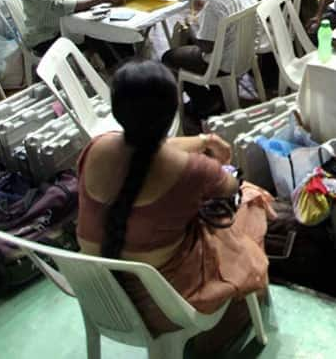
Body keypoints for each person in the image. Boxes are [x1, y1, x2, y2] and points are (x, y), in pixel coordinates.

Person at [76, 61, 272, 353]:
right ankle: (248, 301)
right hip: (165, 305)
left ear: (117, 109)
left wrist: (203, 140)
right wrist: (209, 147)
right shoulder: (194, 171)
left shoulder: (96, 148)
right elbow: (231, 188)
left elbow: (146, 153)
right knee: (253, 200)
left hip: (98, 294)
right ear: (171, 114)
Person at [161, 0, 258, 115]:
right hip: (245, 54)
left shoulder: (216, 3)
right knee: (190, 44)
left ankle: (205, 103)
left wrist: (191, 22)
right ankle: (216, 95)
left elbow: (207, 47)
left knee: (169, 57)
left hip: (224, 63)